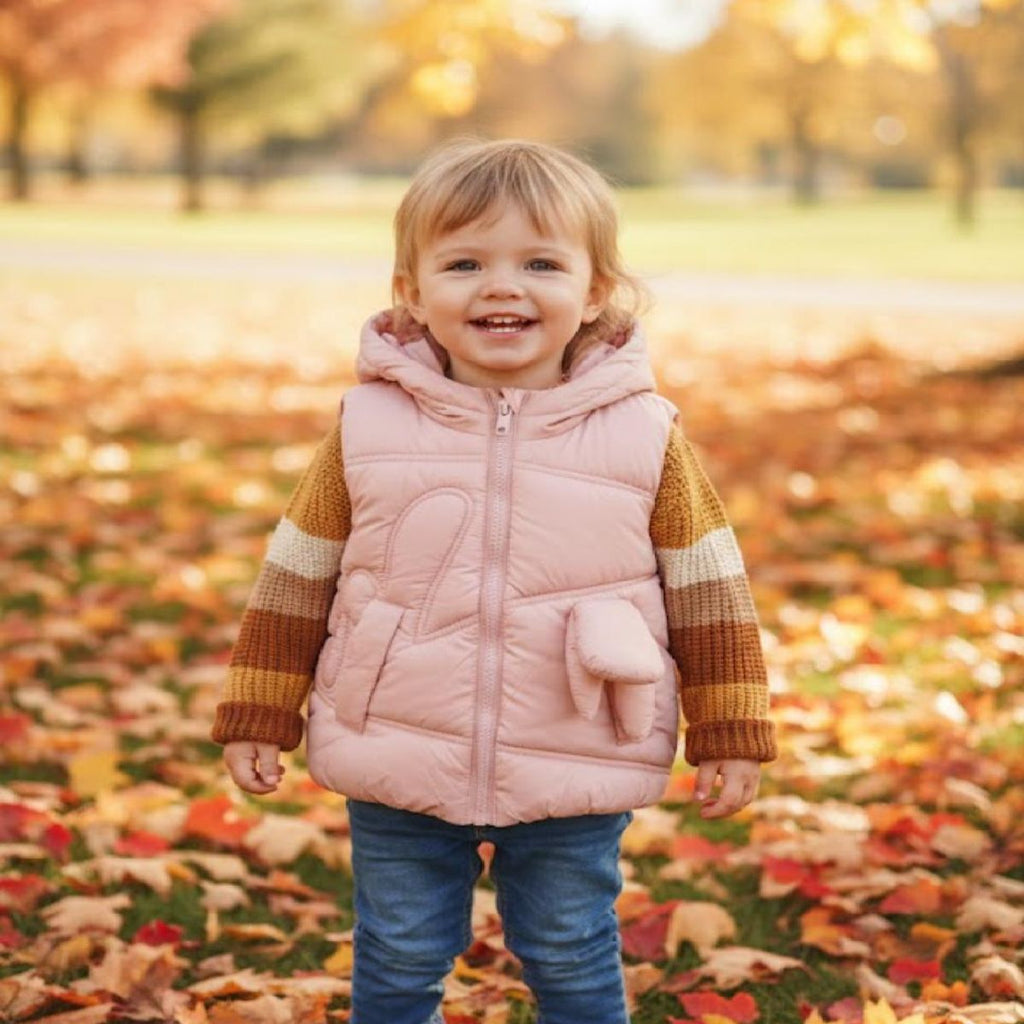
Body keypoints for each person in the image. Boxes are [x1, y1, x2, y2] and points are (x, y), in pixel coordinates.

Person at [211, 138, 778, 1024]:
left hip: (575, 747)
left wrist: (731, 723)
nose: (502, 286)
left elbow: (709, 587)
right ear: (413, 289)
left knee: (569, 947)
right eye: (465, 262)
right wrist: (260, 709)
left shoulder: (645, 433)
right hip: (394, 743)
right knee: (397, 956)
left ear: (595, 290)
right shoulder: (367, 426)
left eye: (541, 263)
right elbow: (297, 577)